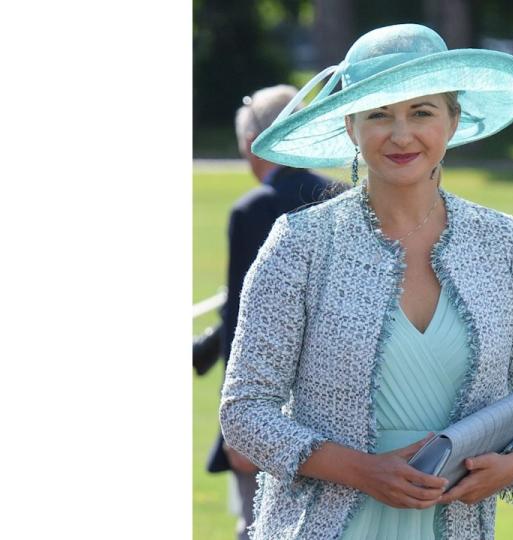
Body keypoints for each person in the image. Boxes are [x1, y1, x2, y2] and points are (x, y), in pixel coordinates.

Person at [220, 24, 513, 540]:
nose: (401, 134)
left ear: (453, 120)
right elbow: (244, 411)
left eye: (421, 112)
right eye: (379, 114)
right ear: (350, 126)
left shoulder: (506, 243)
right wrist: (363, 471)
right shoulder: (299, 243)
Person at [193, 84, 335, 540]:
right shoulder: (341, 196)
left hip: (272, 409)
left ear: (255, 141)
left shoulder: (256, 209)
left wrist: (237, 427)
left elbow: (244, 321)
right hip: (338, 408)